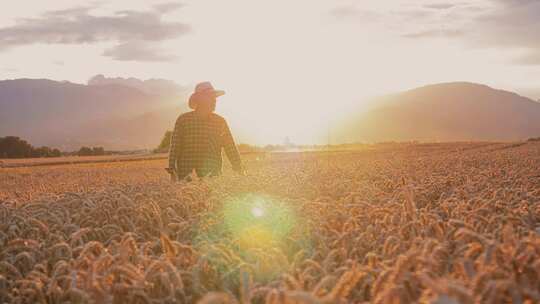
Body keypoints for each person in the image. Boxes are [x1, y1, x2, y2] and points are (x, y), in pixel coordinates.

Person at [167, 81, 244, 181]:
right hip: (186, 176)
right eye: (211, 97)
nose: (215, 100)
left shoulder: (220, 121)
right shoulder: (183, 120)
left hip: (213, 174)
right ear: (200, 99)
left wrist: (239, 168)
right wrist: (172, 168)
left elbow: (230, 147)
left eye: (215, 98)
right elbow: (175, 145)